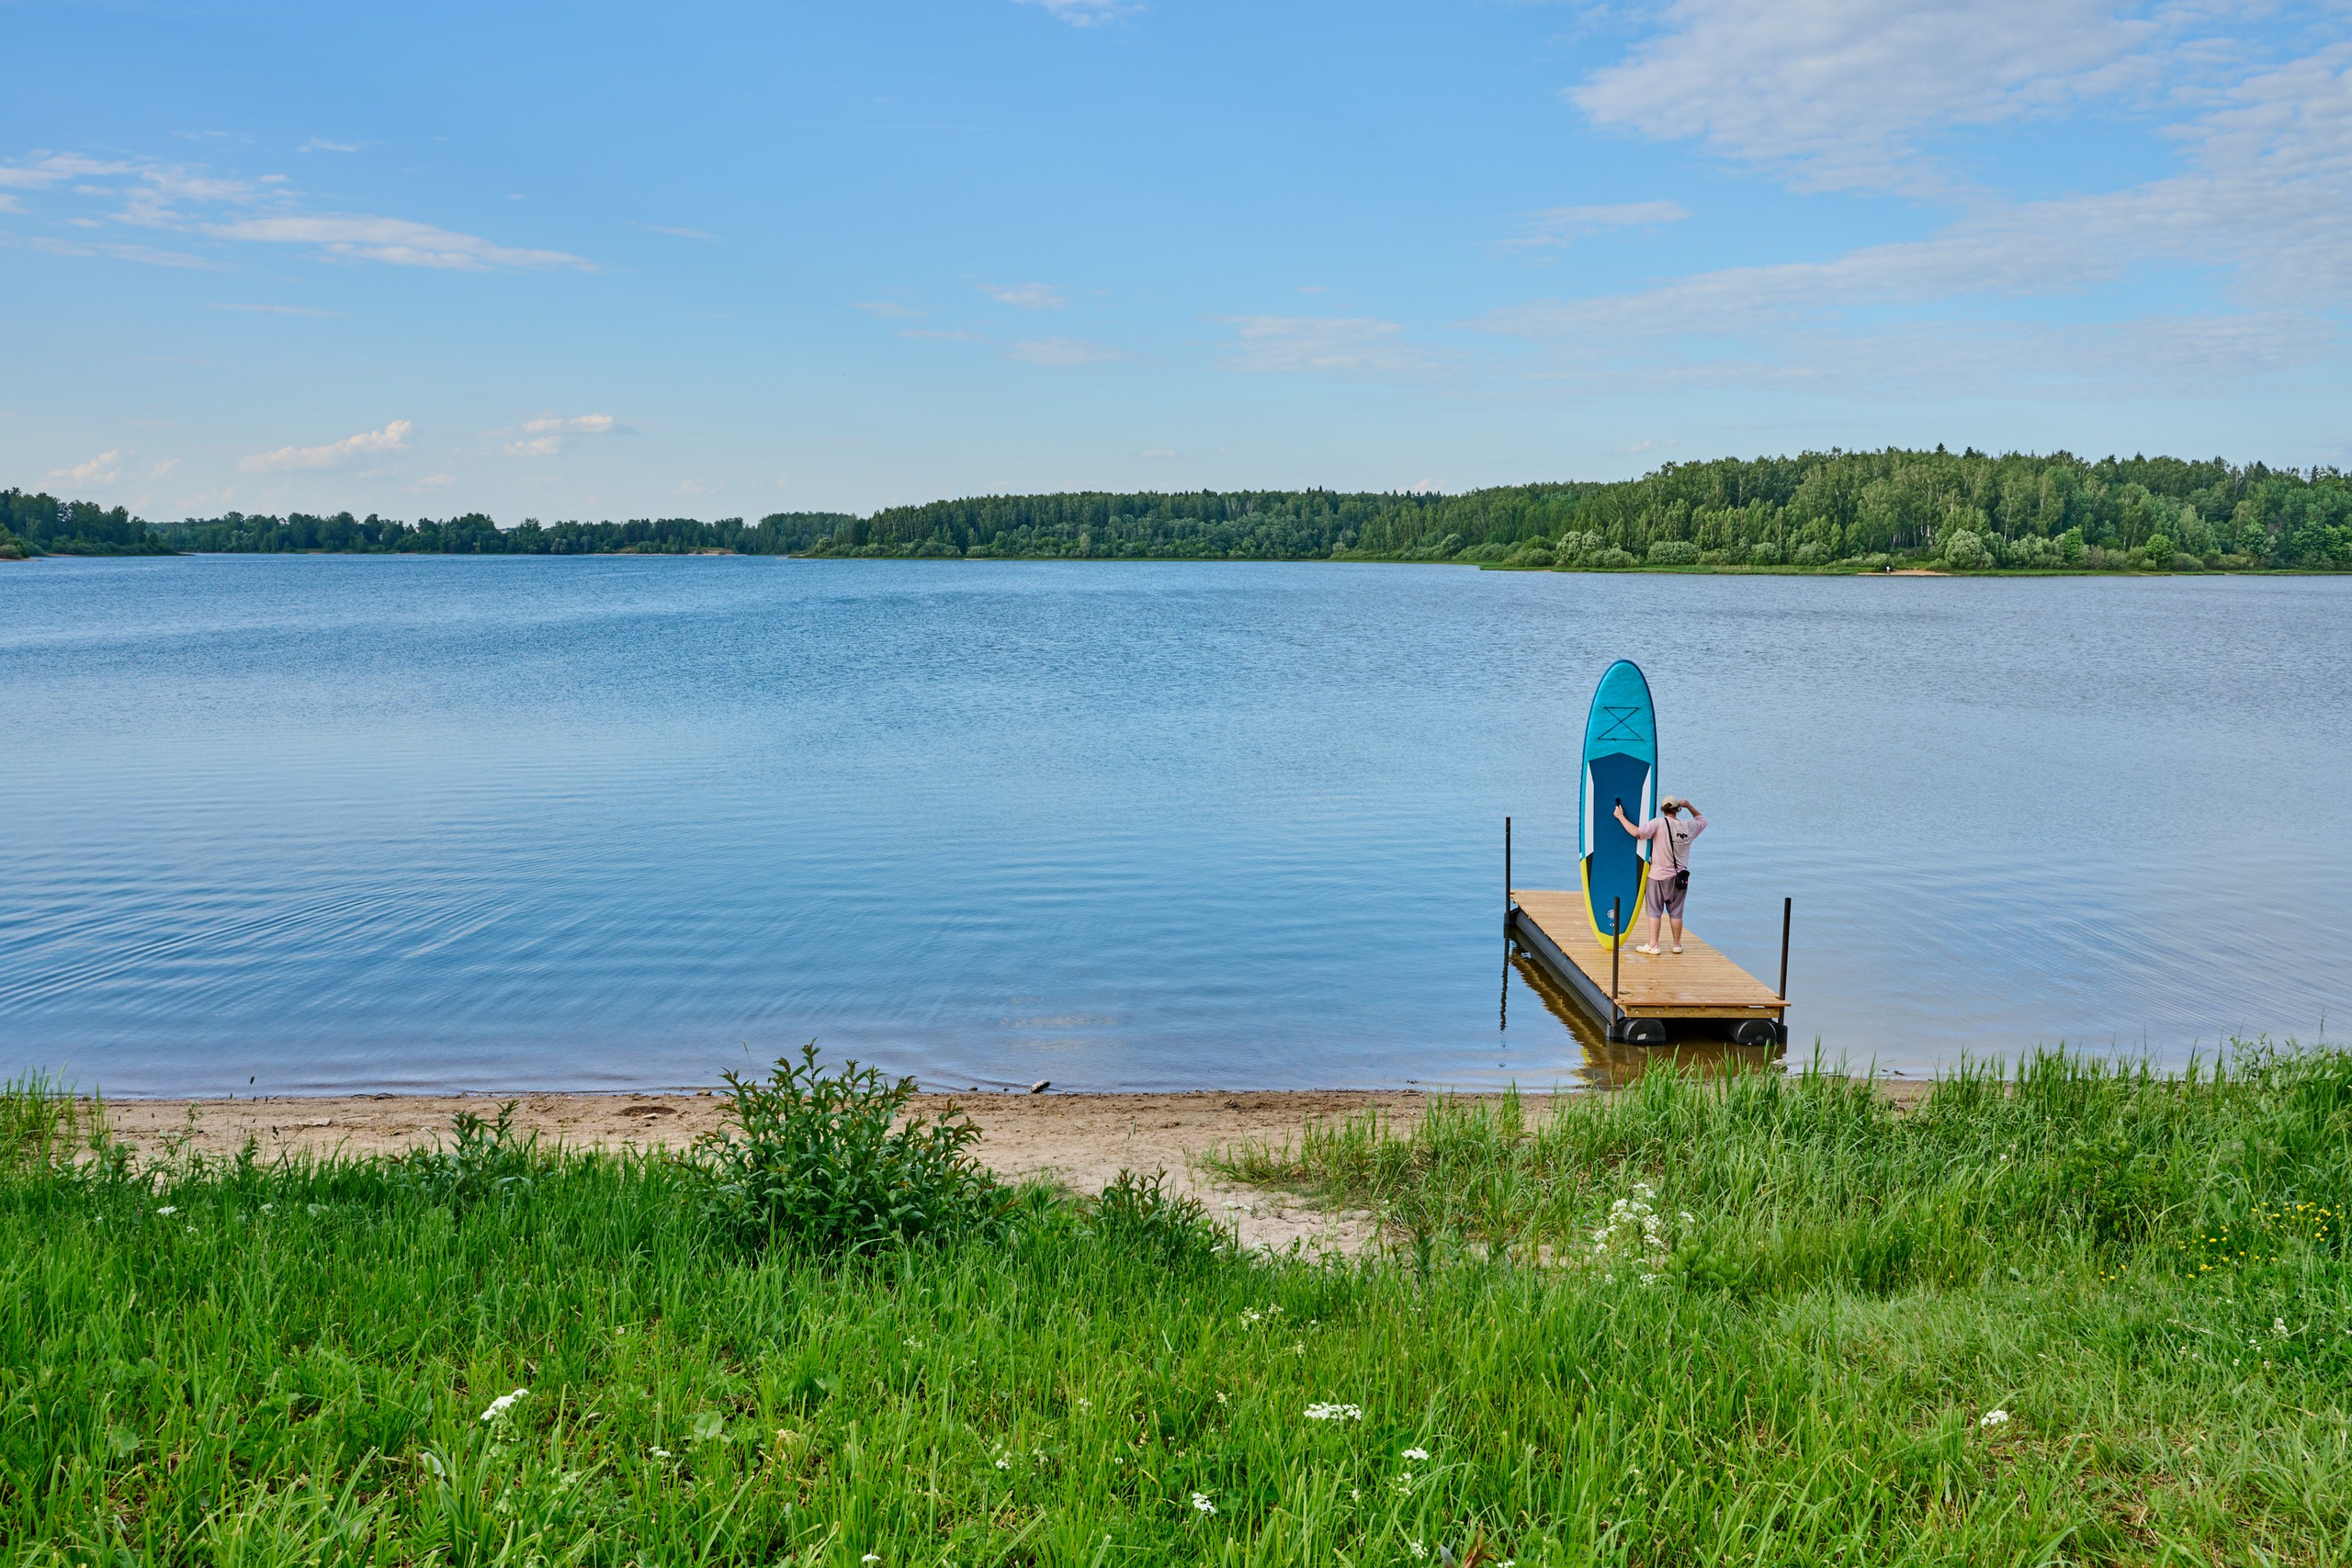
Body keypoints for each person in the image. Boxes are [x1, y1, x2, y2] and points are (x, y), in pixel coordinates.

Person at [1612, 795, 1706, 954]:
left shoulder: (1658, 823)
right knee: (1676, 912)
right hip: (1680, 879)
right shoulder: (1689, 827)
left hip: (1658, 876)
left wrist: (1621, 817)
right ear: (1678, 809)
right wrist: (1690, 806)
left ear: (1663, 809)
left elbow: (1636, 833)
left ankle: (1653, 945)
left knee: (1654, 911)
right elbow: (1702, 820)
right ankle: (1677, 945)